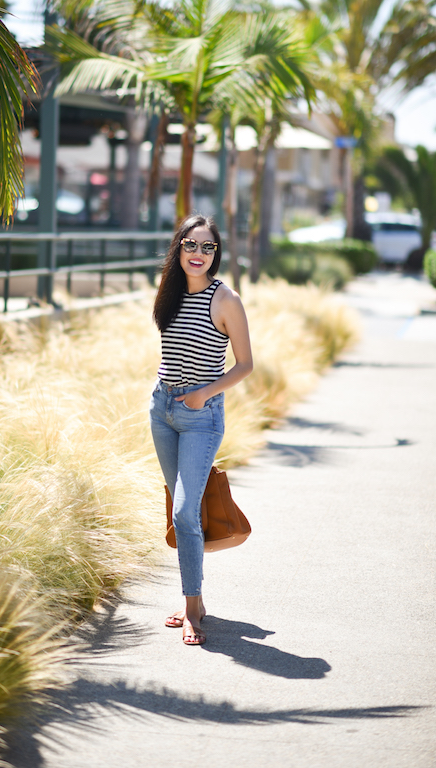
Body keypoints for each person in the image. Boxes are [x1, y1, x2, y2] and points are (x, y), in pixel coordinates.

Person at [149, 213, 253, 646]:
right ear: (179, 248)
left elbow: (245, 365)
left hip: (201, 415)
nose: (198, 254)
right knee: (180, 504)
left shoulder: (225, 299)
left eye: (207, 247)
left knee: (183, 512)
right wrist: (166, 393)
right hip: (162, 408)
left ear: (216, 253)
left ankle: (193, 609)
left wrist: (201, 393)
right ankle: (195, 600)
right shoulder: (170, 292)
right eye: (191, 245)